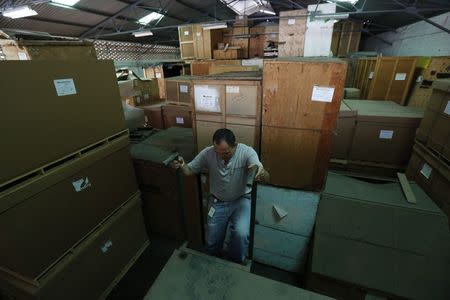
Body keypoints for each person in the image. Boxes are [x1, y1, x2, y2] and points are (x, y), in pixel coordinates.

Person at [171, 128, 269, 263]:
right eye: (218, 152)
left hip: (240, 200)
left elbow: (255, 167)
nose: (222, 156)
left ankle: (235, 263)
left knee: (241, 234)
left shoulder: (247, 152)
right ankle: (213, 261)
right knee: (212, 238)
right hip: (217, 202)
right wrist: (182, 164)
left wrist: (258, 172)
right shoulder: (209, 153)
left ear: (234, 145)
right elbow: (189, 171)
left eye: (226, 153)